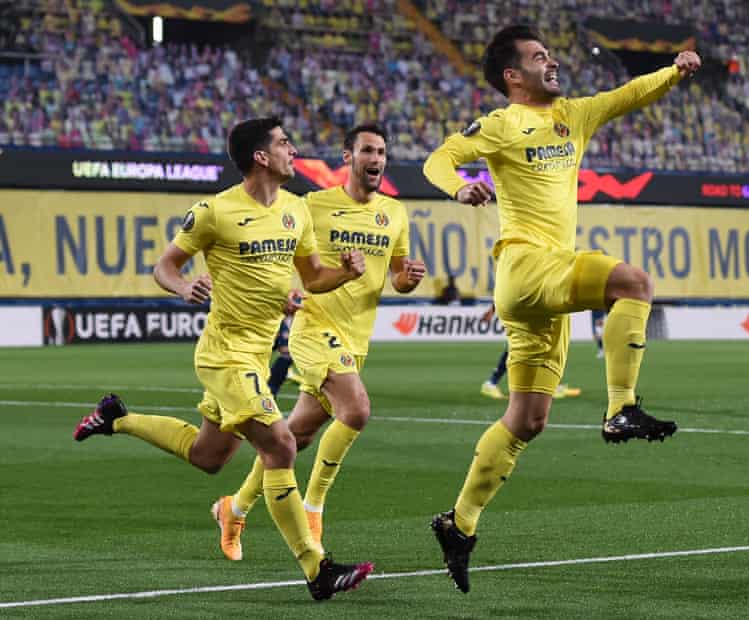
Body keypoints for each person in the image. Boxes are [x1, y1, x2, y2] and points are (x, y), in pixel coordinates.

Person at [423, 25, 700, 592]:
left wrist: (673, 73)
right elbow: (441, 158)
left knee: (527, 420)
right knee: (634, 283)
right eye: (538, 56)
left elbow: (628, 95)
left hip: (541, 294)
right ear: (513, 76)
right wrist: (459, 187)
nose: (550, 62)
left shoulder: (574, 114)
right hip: (527, 268)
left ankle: (459, 522)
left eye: (549, 54)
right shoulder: (502, 123)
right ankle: (621, 407)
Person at [72, 117, 373, 601]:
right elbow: (164, 266)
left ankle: (116, 418)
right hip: (225, 355)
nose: (293, 150)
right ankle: (316, 568)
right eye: (284, 143)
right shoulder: (215, 211)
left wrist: (346, 273)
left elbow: (313, 276)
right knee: (281, 446)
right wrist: (183, 287)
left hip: (256, 354)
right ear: (261, 157)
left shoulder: (296, 209)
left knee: (208, 457)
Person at [210, 123, 426, 560]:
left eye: (382, 152)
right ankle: (313, 510)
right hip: (314, 328)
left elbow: (399, 277)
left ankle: (234, 507)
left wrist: (409, 278)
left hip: (356, 338)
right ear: (348, 158)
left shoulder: (395, 213)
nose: (377, 159)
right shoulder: (313, 206)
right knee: (357, 410)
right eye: (368, 150)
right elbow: (281, 252)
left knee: (295, 438)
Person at [479, 305, 581, 400]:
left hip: (538, 309)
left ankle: (553, 385)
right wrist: (492, 310)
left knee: (544, 346)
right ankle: (491, 383)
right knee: (520, 347)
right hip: (525, 309)